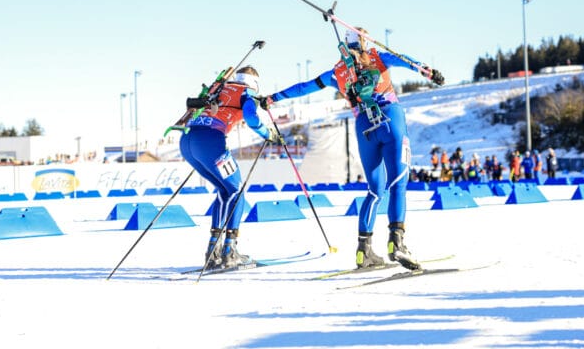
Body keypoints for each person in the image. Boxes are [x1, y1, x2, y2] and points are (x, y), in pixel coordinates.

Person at [263, 28, 444, 270]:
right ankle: (397, 243)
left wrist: (273, 97)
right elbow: (405, 60)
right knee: (398, 183)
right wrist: (428, 72)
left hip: (363, 127)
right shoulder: (378, 57)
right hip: (390, 119)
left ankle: (363, 251)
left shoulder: (336, 72)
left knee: (375, 190)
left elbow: (304, 87)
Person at [179, 65, 280, 269]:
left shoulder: (219, 87)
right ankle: (229, 250)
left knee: (226, 191)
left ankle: (213, 250)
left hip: (187, 141)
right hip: (210, 142)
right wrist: (267, 133)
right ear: (255, 83)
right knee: (237, 190)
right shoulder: (246, 93)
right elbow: (251, 118)